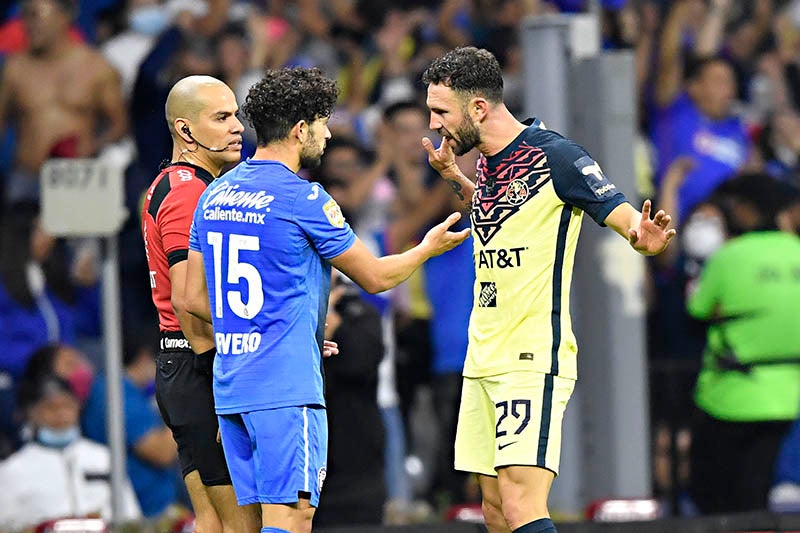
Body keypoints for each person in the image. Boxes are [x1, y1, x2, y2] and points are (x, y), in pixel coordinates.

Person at [184, 66, 470, 533]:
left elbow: (195, 298)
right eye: (322, 121)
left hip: (233, 387)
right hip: (285, 389)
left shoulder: (216, 193)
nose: (329, 132)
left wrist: (278, 329)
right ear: (300, 130)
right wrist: (426, 249)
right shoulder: (304, 199)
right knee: (291, 518)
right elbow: (375, 278)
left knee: (252, 523)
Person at [419, 47, 676, 533]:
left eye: (440, 111)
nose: (434, 124)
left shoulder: (557, 156)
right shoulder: (488, 164)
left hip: (531, 355)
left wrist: (645, 238)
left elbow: (626, 221)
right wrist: (454, 177)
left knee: (521, 505)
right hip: (483, 355)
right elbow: (503, 217)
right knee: (494, 511)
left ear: (478, 108)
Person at [140, 75, 260, 532]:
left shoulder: (170, 185)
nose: (237, 128)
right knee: (242, 526)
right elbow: (191, 300)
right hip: (203, 367)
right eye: (222, 117)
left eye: (236, 116)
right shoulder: (191, 192)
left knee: (211, 522)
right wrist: (272, 329)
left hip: (180, 369)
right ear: (186, 131)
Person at [687, 174, 800, 514]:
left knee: (716, 498)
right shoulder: (796, 251)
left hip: (729, 396)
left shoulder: (729, 256)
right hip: (787, 396)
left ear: (749, 211)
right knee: (759, 495)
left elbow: (697, 309)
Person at [0, 0, 127, 204]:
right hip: (25, 180)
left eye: (36, 15)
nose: (27, 24)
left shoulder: (96, 68)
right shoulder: (15, 69)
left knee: (77, 234)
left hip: (76, 179)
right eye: (25, 15)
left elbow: (119, 124)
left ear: (64, 17)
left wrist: (93, 146)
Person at [0, 375, 141, 531]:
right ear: (32, 413)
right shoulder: (12, 469)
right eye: (50, 407)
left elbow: (130, 515)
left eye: (67, 406)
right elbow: (6, 525)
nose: (61, 414)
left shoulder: (104, 458)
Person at [81, 327, 180, 519]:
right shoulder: (116, 391)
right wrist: (188, 404)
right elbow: (161, 452)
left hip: (154, 505)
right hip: (138, 511)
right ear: (145, 356)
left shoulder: (132, 392)